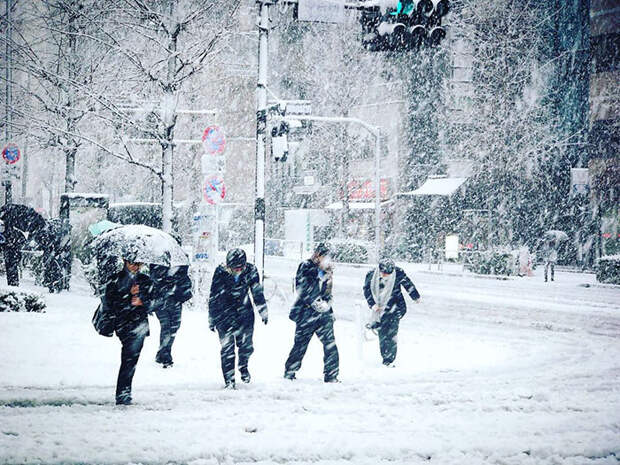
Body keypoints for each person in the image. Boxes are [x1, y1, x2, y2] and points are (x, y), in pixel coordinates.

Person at [208, 248, 268, 389]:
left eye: (240, 268)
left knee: (246, 346)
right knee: (227, 348)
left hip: (244, 313)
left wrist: (263, 311)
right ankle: (229, 379)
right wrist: (211, 317)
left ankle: (243, 365)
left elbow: (257, 292)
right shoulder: (220, 272)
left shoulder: (251, 271)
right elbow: (213, 296)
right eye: (233, 268)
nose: (237, 270)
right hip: (224, 314)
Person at [284, 242, 340, 383]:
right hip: (306, 313)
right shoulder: (306, 266)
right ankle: (290, 372)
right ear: (318, 255)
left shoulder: (328, 271)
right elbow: (301, 288)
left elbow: (327, 291)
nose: (329, 261)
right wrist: (314, 302)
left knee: (330, 344)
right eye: (326, 257)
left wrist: (327, 304)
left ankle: (331, 375)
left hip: (323, 314)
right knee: (300, 345)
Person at [104, 253, 153, 405]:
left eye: (139, 263)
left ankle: (124, 391)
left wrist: (142, 301)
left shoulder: (145, 280)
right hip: (123, 324)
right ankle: (123, 393)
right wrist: (127, 295)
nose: (136, 266)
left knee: (131, 360)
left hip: (139, 324)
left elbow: (155, 301)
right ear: (125, 262)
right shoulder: (115, 279)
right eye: (133, 262)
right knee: (128, 358)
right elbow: (110, 302)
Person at [363, 258, 420, 367]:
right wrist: (372, 304)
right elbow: (367, 290)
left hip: (395, 307)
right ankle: (385, 357)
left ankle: (389, 359)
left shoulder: (398, 273)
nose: (385, 276)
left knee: (392, 334)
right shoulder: (371, 275)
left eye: (388, 274)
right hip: (379, 310)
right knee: (383, 334)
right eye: (383, 273)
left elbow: (408, 284)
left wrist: (415, 296)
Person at [150, 264, 193, 368]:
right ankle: (165, 356)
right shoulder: (158, 261)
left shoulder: (181, 264)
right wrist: (168, 279)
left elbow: (185, 280)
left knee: (174, 327)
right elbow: (155, 279)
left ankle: (162, 352)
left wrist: (178, 284)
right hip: (161, 301)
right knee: (166, 327)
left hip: (176, 300)